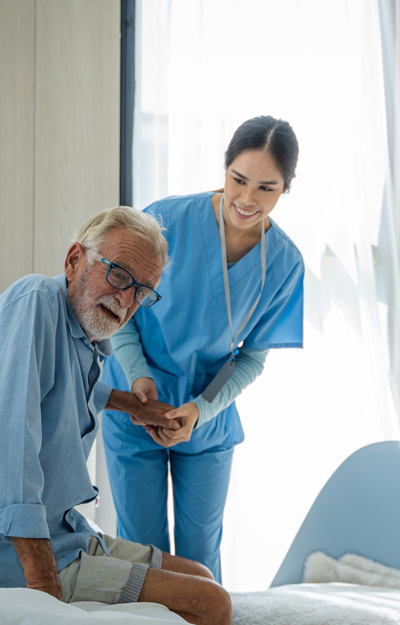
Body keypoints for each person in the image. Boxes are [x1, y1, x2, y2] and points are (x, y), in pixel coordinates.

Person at [0, 206, 232, 625]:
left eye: (142, 292)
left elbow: (67, 389)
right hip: (7, 555)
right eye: (118, 274)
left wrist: (133, 405)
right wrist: (44, 590)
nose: (127, 300)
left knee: (202, 576)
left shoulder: (82, 336)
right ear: (75, 259)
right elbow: (5, 442)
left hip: (66, 534)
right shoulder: (35, 300)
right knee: (212, 604)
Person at [102, 116, 305, 582]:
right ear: (225, 168)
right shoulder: (164, 222)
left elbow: (250, 357)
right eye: (238, 180)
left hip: (206, 414)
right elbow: (118, 314)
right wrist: (137, 377)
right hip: (137, 402)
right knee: (142, 555)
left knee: (199, 563)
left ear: (286, 188)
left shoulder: (285, 263)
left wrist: (199, 410)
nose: (248, 199)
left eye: (267, 188)